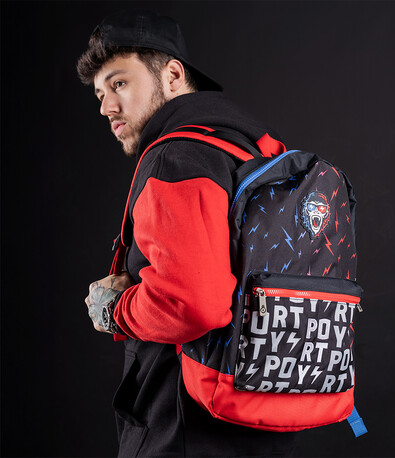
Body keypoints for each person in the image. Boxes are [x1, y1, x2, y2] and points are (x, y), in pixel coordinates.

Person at [80, 10, 299, 457]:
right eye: (100, 94)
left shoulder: (177, 157)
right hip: (260, 420)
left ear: (173, 75)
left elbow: (192, 303)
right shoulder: (252, 148)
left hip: (182, 429)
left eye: (119, 83)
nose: (106, 107)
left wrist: (114, 309)